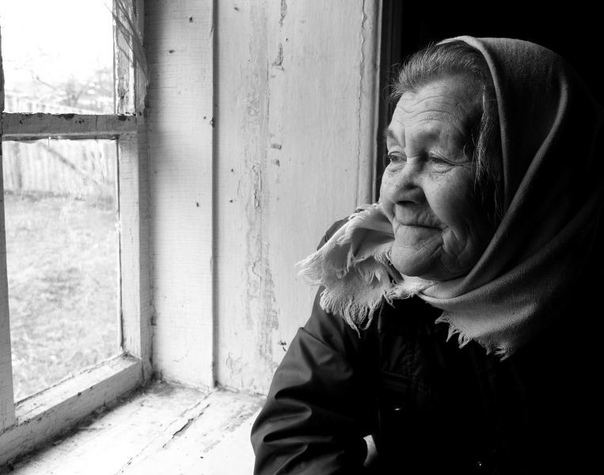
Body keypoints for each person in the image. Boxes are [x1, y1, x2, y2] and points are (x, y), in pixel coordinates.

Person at [250, 36, 604, 474]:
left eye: (437, 158)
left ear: (534, 182)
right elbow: (295, 431)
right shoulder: (368, 269)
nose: (395, 193)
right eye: (395, 155)